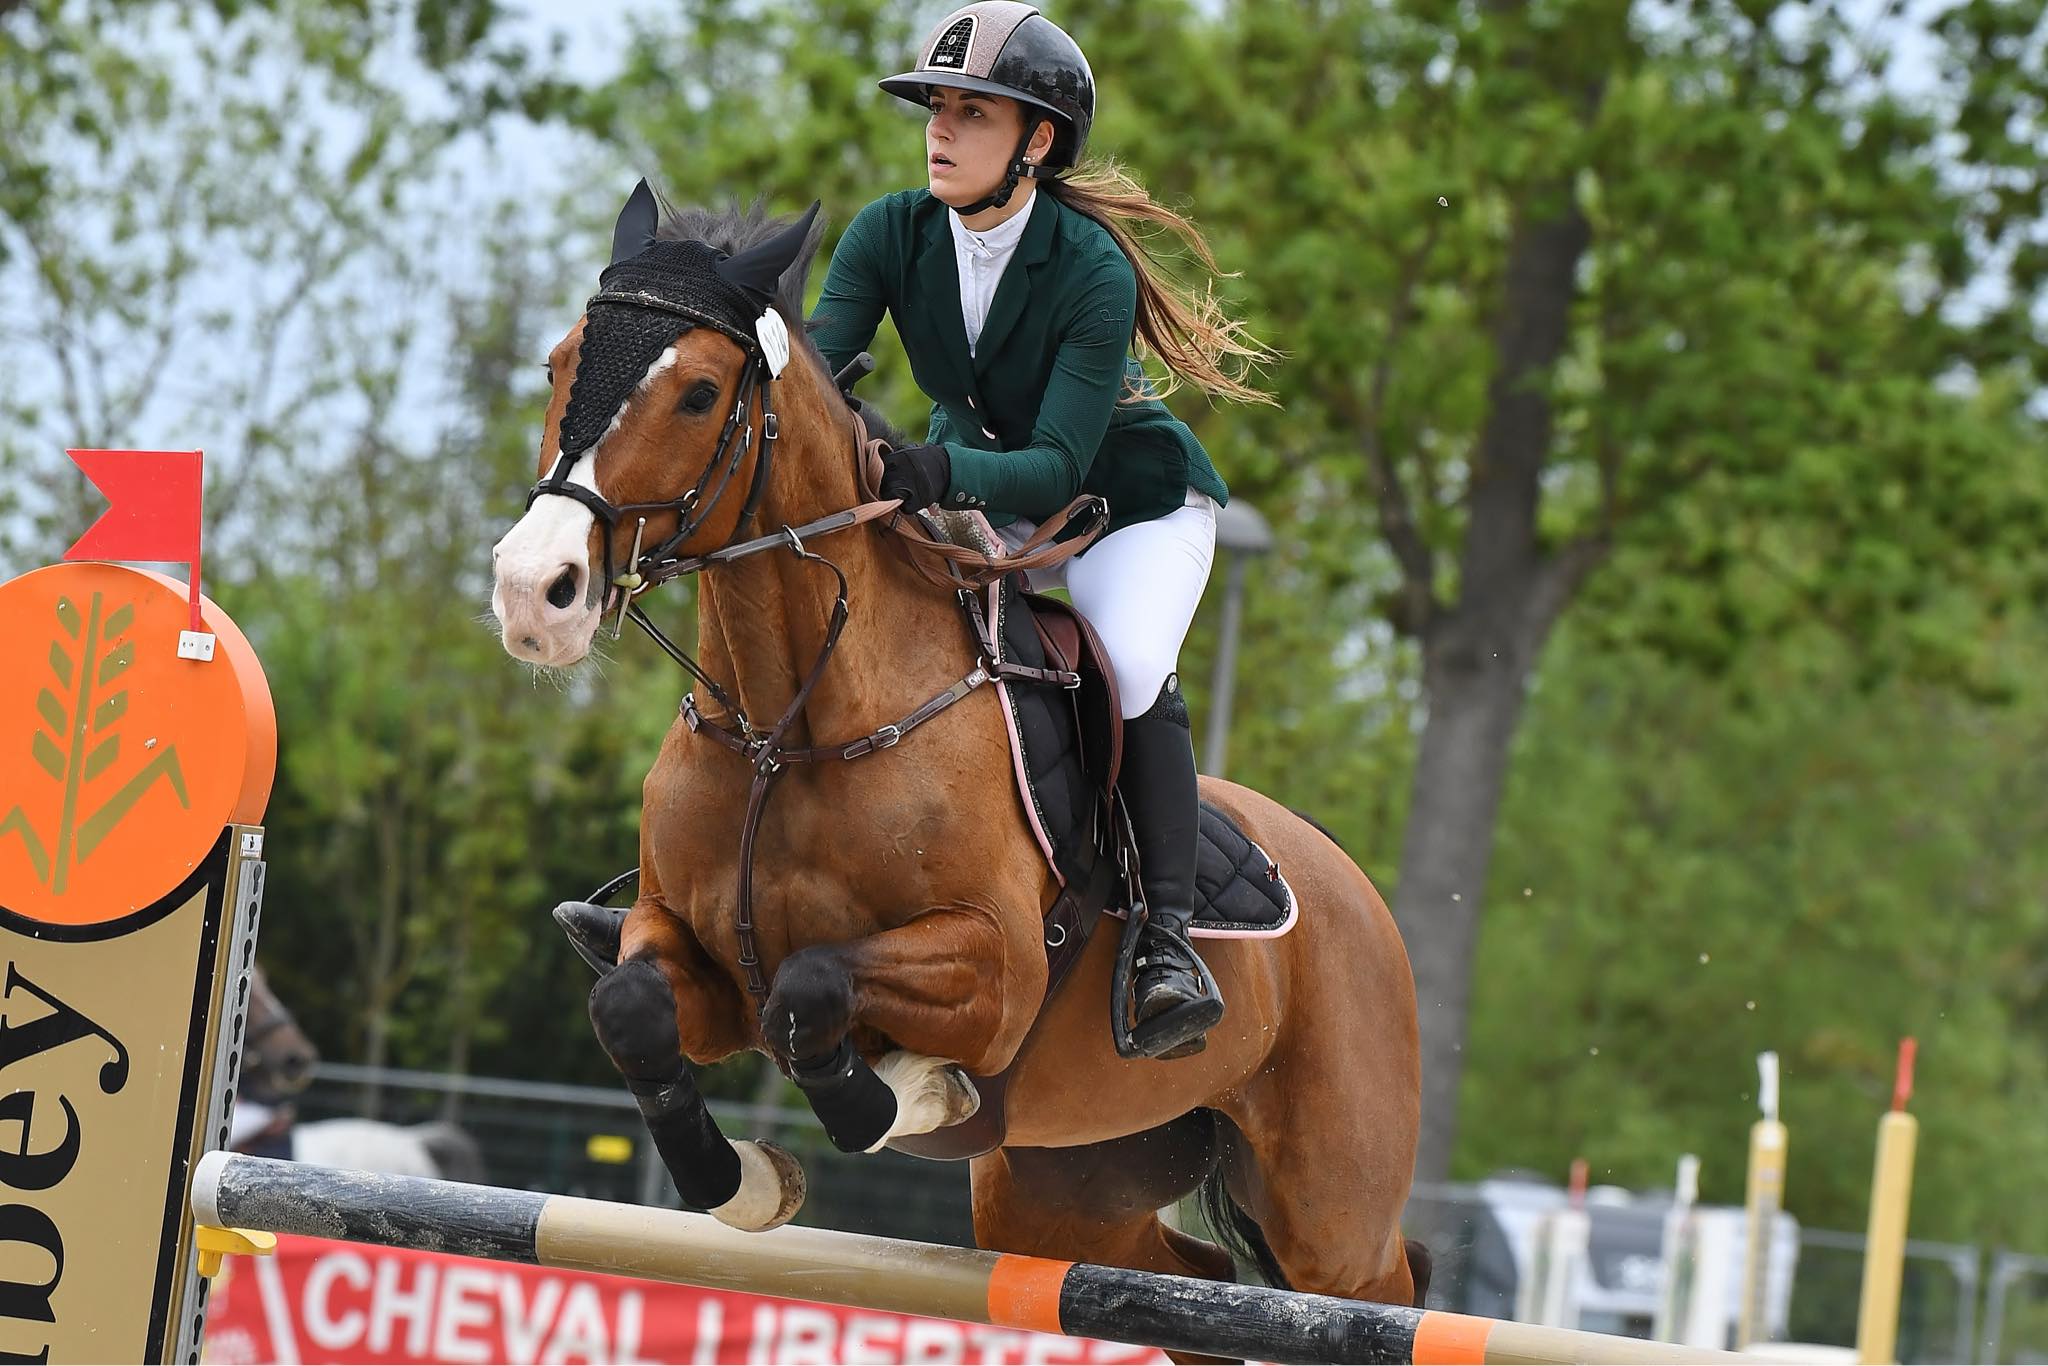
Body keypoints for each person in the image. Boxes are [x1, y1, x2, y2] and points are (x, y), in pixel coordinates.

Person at [808, 1, 1276, 1059]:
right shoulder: (890, 231)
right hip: (983, 491)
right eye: (936, 106)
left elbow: (1057, 466)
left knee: (1128, 662)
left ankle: (1163, 941)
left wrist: (929, 468)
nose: (938, 128)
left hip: (1126, 509)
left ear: (1037, 141)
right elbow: (813, 374)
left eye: (972, 111)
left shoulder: (1087, 269)